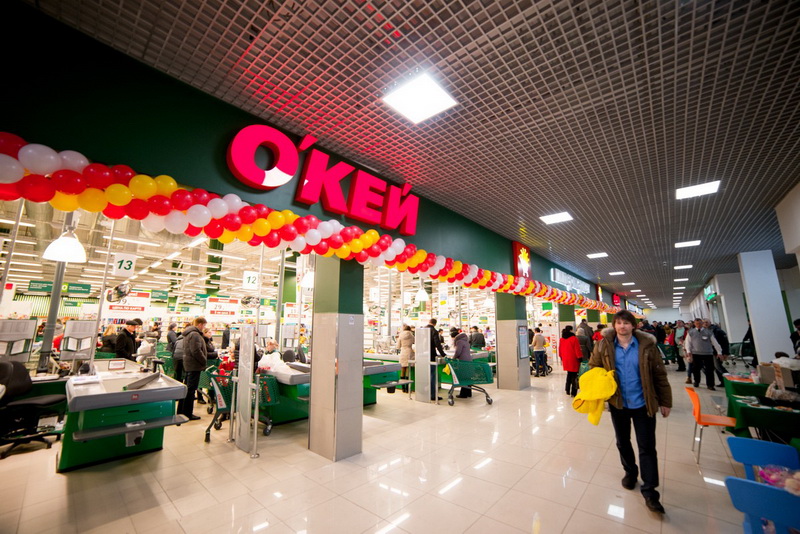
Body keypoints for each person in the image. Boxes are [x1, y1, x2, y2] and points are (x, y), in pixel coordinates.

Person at [590, 310, 672, 514]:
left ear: (633, 326)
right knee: (622, 441)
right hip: (619, 403)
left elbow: (659, 374)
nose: (622, 326)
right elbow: (594, 367)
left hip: (643, 403)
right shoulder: (604, 345)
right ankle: (630, 472)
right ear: (614, 325)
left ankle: (650, 491)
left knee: (647, 446)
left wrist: (665, 401)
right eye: (618, 323)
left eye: (626, 323)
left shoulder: (647, 346)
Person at [178, 317, 208, 421]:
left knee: (187, 389)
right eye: (204, 325)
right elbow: (196, 351)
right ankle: (187, 413)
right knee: (191, 390)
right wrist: (204, 360)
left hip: (189, 364)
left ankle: (181, 411)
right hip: (194, 365)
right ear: (200, 324)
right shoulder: (195, 334)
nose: (204, 327)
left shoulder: (189, 333)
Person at [684, 318, 723, 390]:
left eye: (700, 323)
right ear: (694, 324)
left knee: (709, 370)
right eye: (697, 323)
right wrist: (688, 351)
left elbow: (715, 342)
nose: (698, 325)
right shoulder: (691, 332)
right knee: (696, 369)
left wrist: (719, 352)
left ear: (702, 323)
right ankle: (696, 381)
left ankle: (710, 385)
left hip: (708, 353)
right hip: (696, 353)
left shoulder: (708, 332)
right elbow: (688, 342)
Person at [704, 320, 730, 387]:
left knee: (718, 366)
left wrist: (725, 352)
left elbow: (725, 342)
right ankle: (723, 382)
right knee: (716, 368)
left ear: (710, 323)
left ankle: (730, 380)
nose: (705, 323)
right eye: (704, 322)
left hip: (718, 352)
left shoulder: (717, 331)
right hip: (710, 352)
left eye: (706, 322)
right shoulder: (704, 331)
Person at [559, 325, 582, 396]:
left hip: (565, 359)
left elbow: (560, 349)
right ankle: (573, 392)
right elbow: (577, 349)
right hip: (573, 359)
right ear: (571, 330)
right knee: (574, 376)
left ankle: (567, 389)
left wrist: (561, 357)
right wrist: (580, 358)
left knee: (569, 374)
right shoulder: (574, 338)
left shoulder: (562, 339)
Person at [427, 319, 447, 401]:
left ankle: (425, 394)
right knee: (432, 375)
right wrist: (443, 354)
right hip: (431, 355)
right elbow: (437, 344)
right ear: (435, 324)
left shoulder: (422, 329)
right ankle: (432, 395)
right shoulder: (434, 331)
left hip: (422, 356)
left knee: (425, 375)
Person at [450, 327, 473, 398]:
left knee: (463, 377)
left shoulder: (459, 342)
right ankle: (468, 393)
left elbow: (458, 352)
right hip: (468, 360)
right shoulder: (466, 341)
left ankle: (463, 394)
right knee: (467, 376)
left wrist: (453, 358)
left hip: (463, 361)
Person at [396, 325, 414, 393]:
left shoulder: (401, 335)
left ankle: (403, 388)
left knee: (403, 370)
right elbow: (414, 343)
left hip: (403, 352)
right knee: (408, 371)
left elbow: (398, 346)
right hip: (410, 352)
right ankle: (407, 388)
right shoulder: (412, 335)